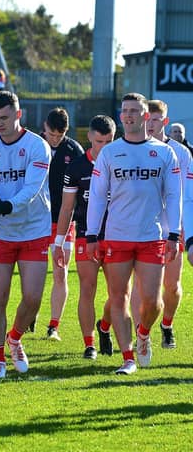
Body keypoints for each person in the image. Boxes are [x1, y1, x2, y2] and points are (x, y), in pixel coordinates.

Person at [86, 93, 181, 375]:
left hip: (152, 235)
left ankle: (144, 333)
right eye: (124, 111)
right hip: (117, 236)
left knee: (153, 301)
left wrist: (174, 234)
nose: (128, 115)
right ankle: (127, 358)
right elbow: (98, 197)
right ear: (121, 115)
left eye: (134, 111)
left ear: (145, 116)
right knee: (118, 297)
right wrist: (92, 235)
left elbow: (175, 194)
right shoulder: (110, 152)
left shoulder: (165, 152)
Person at [0, 90, 51, 379]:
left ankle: (15, 337)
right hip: (1, 233)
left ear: (18, 115)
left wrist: (7, 204)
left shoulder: (37, 146)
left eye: (4, 118)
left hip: (34, 230)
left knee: (32, 299)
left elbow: (31, 189)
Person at [52, 115, 115, 359]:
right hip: (85, 236)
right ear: (89, 137)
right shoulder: (77, 167)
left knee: (118, 293)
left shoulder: (120, 162)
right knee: (87, 289)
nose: (104, 147)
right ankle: (89, 344)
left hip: (116, 236)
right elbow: (67, 208)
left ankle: (105, 326)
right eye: (100, 141)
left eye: (109, 141)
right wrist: (58, 242)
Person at [129, 100, 190, 349]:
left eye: (156, 120)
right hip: (143, 228)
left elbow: (186, 194)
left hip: (172, 229)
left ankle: (167, 324)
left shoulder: (181, 153)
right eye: (148, 119)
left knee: (172, 287)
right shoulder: (136, 148)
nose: (150, 125)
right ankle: (140, 337)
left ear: (164, 122)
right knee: (139, 288)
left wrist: (181, 228)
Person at [42, 107, 84, 341]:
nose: (55, 139)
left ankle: (53, 326)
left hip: (63, 221)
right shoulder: (35, 145)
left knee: (61, 272)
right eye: (51, 134)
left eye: (60, 135)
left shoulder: (73, 150)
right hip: (35, 220)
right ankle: (30, 313)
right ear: (44, 127)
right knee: (33, 273)